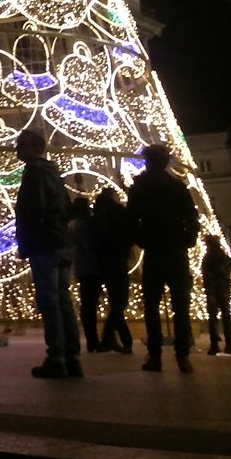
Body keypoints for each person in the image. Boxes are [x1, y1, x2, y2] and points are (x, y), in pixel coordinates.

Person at [14, 127, 82, 379]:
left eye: (21, 144)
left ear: (34, 148)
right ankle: (72, 357)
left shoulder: (34, 173)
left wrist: (28, 239)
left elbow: (34, 210)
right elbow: (65, 207)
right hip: (61, 243)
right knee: (62, 300)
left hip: (45, 244)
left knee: (50, 301)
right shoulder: (53, 172)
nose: (16, 149)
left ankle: (57, 357)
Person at [126, 143, 199, 374]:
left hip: (156, 250)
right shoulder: (176, 186)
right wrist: (188, 238)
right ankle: (182, 355)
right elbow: (191, 215)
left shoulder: (141, 187)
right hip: (175, 249)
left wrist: (140, 238)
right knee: (180, 305)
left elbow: (131, 218)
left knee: (152, 305)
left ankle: (156, 355)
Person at [91, 187, 134, 353]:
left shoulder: (97, 215)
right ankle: (108, 336)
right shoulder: (117, 212)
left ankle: (125, 341)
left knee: (116, 301)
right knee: (121, 300)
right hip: (117, 259)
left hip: (103, 261)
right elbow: (127, 233)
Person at [69, 195, 102, 353]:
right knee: (90, 304)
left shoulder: (74, 225)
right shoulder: (89, 225)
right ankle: (94, 339)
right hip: (93, 267)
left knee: (87, 305)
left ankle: (92, 339)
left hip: (83, 268)